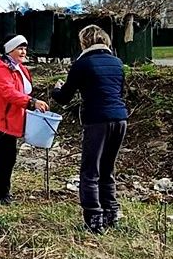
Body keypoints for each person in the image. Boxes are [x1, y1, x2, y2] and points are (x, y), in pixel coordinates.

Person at [51, 25, 128, 234]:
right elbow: (120, 90)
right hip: (120, 119)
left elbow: (64, 97)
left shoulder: (82, 64)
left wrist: (55, 89)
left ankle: (94, 219)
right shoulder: (117, 63)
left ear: (84, 42)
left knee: (90, 171)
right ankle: (112, 212)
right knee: (107, 168)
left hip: (97, 120)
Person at [0, 35, 49, 205]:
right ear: (9, 50)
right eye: (19, 48)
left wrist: (31, 101)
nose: (23, 51)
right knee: (8, 156)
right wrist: (32, 103)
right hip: (1, 118)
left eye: (25, 48)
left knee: (4, 155)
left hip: (12, 117)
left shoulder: (20, 68)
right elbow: (9, 93)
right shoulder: (1, 69)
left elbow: (22, 91)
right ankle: (3, 194)